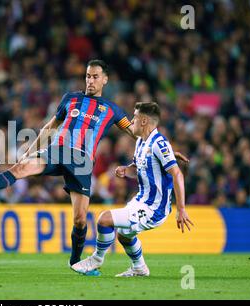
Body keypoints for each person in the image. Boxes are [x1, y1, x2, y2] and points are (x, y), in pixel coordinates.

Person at [0, 60, 188, 266]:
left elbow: (139, 134)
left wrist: (165, 152)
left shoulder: (112, 110)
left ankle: (75, 261)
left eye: (95, 76)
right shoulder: (71, 98)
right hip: (57, 150)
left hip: (82, 162)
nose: (90, 80)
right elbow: (50, 127)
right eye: (87, 76)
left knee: (79, 219)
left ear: (105, 80)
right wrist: (31, 150)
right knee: (21, 168)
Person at [71, 102, 193, 277]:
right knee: (124, 236)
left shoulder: (159, 143)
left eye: (134, 117)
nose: (131, 120)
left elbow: (177, 174)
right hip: (140, 200)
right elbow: (140, 169)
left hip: (154, 208)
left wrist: (181, 209)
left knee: (104, 219)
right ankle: (139, 268)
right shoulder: (141, 143)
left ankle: (96, 260)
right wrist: (126, 170)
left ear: (143, 121)